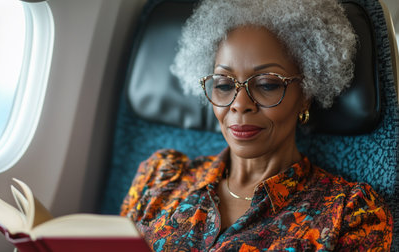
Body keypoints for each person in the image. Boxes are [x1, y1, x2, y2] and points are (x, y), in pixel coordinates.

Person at [120, 0, 393, 250]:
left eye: (267, 84)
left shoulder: (350, 215)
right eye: (224, 85)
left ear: (306, 96)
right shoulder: (160, 178)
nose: (240, 103)